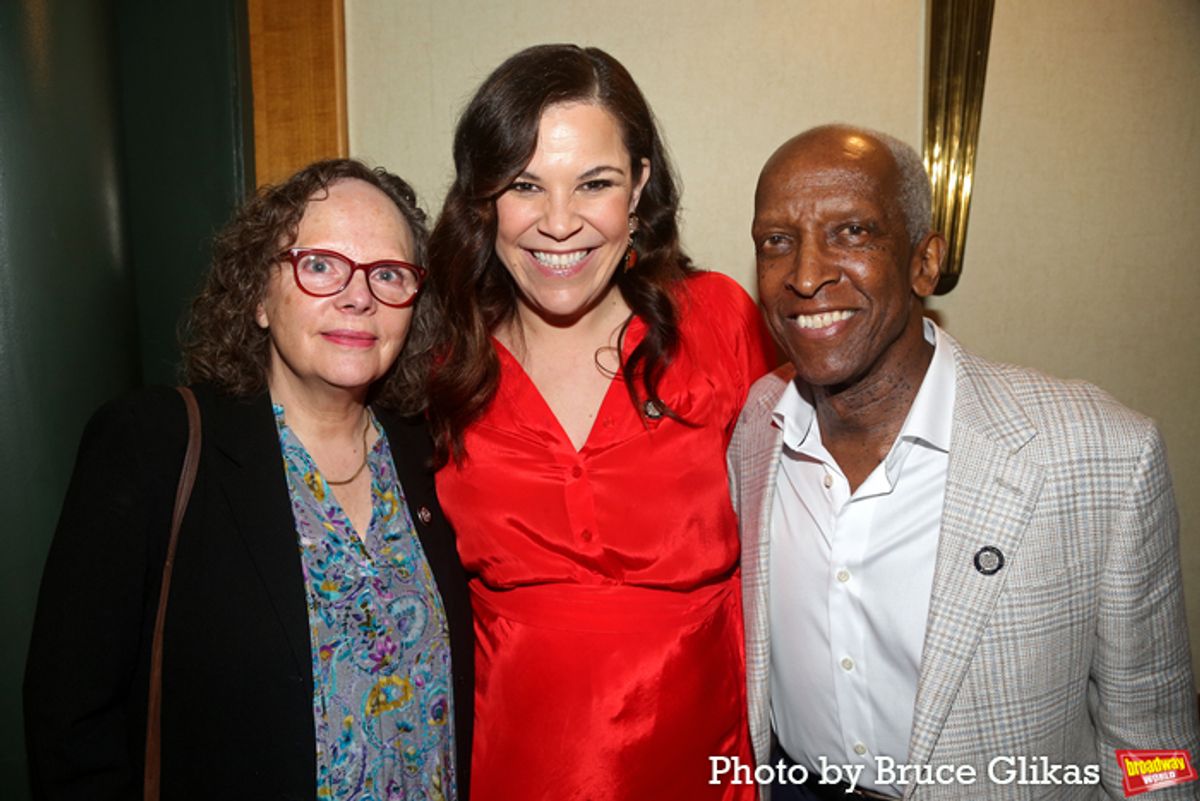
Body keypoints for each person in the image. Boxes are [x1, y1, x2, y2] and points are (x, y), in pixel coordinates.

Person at [728, 124, 1200, 800]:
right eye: (777, 242)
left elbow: (1157, 745)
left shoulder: (1100, 456)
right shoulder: (757, 427)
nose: (805, 274)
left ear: (925, 262)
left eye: (852, 233)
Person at [24, 159, 473, 800]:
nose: (358, 296)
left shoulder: (433, 455)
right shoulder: (153, 444)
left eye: (388, 274)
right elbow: (70, 721)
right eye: (319, 264)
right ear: (259, 296)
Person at [427, 44, 774, 799]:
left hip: (706, 766)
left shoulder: (719, 321)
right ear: (483, 198)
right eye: (525, 184)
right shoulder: (440, 363)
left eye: (595, 183)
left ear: (640, 187)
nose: (559, 224)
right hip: (509, 768)